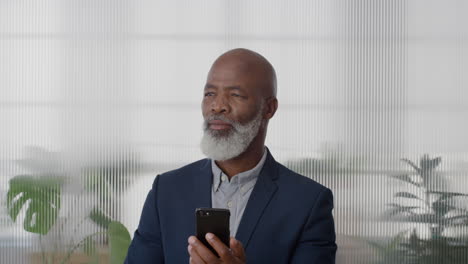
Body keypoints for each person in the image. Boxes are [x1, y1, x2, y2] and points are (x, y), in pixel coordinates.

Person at [125, 48, 337, 264]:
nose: (218, 106)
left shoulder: (308, 202)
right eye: (210, 94)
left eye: (235, 95)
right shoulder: (166, 190)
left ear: (269, 108)